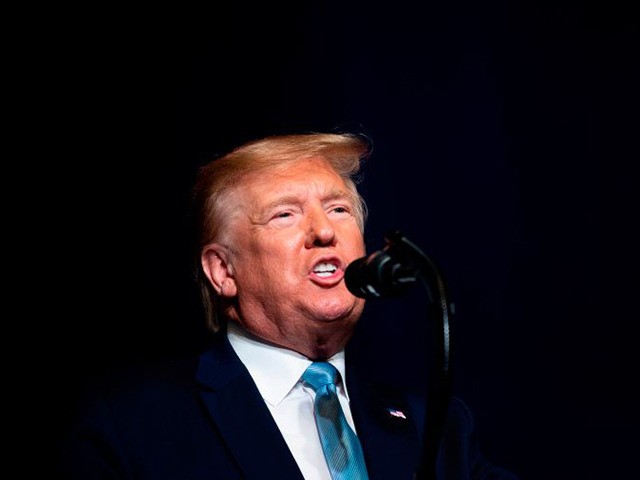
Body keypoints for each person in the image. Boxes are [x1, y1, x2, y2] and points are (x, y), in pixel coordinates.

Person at [60, 131, 519, 479]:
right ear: (223, 271)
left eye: (338, 209)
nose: (324, 231)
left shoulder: (437, 429)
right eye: (285, 214)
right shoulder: (129, 422)